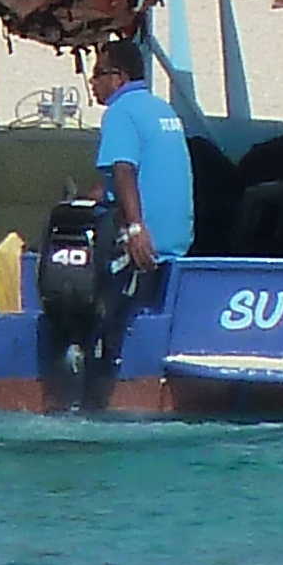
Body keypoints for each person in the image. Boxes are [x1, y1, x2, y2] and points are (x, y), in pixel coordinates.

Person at [87, 32, 193, 382]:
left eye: (98, 73)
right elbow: (126, 179)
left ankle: (93, 371)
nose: (92, 82)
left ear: (119, 77)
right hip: (178, 240)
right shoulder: (162, 109)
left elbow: (125, 170)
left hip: (145, 241)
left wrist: (134, 228)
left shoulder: (120, 111)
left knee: (81, 280)